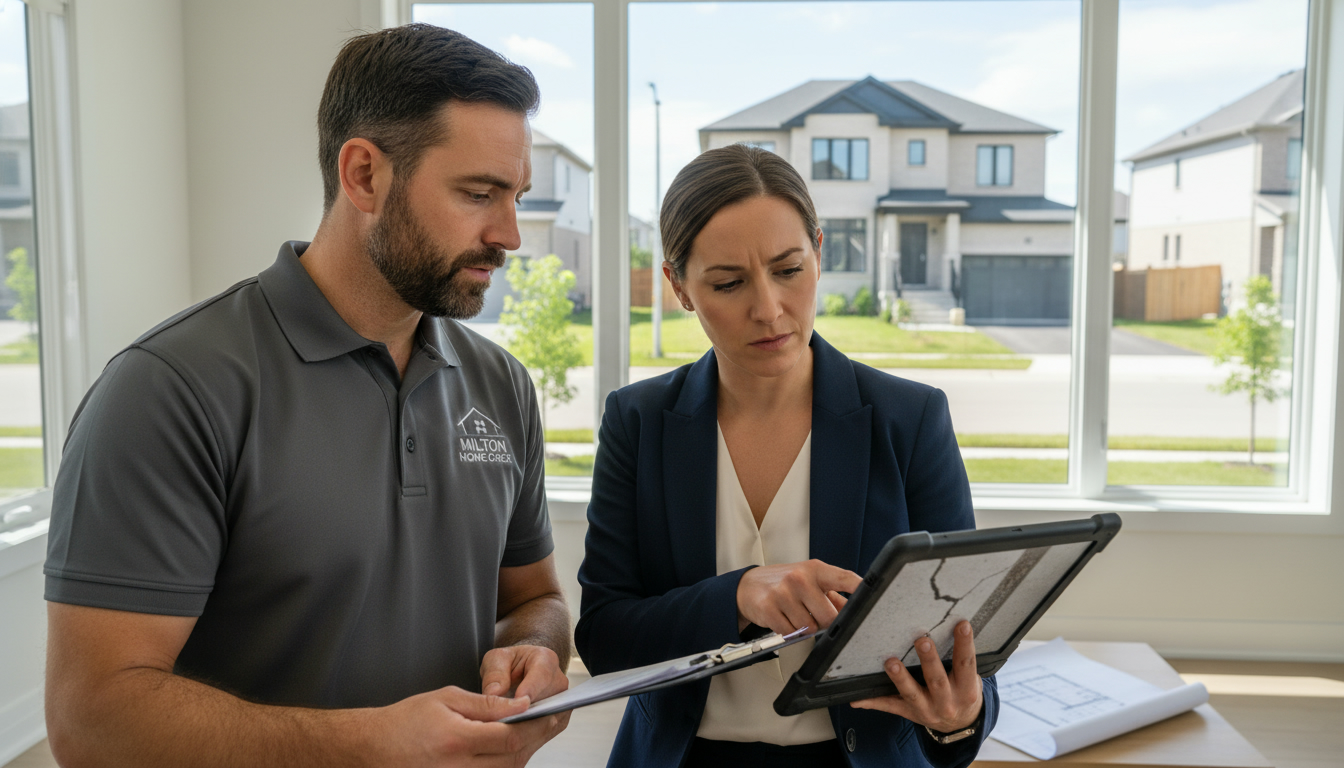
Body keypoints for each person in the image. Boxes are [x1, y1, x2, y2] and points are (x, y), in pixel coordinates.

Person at [42, 24, 572, 767]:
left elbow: (531, 601)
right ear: (363, 176)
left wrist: (536, 653)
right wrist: (372, 744)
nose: (511, 234)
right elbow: (93, 721)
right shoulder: (170, 390)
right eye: (478, 194)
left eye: (514, 196)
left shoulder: (501, 385)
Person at [576, 144, 999, 768]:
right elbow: (606, 637)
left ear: (820, 254)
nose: (768, 309)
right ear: (679, 287)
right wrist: (737, 596)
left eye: (789, 270)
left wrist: (958, 719)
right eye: (727, 283)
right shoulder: (637, 422)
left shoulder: (910, 419)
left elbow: (968, 646)